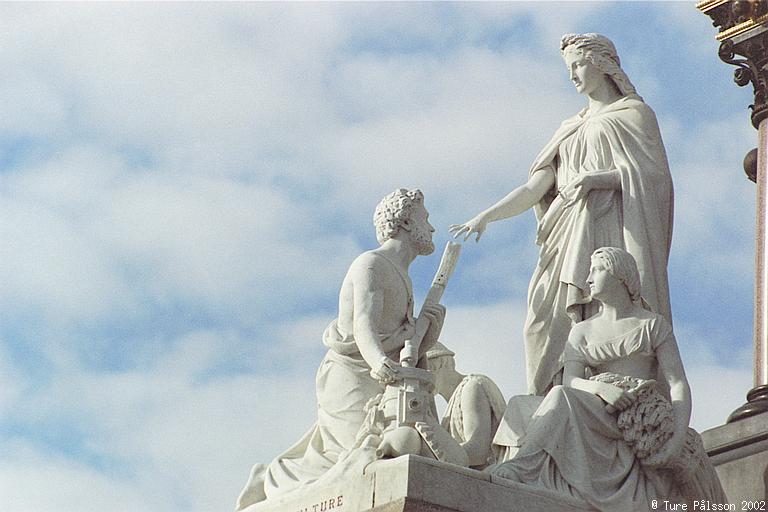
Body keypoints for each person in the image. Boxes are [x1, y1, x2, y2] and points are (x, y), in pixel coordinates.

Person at [450, 33, 673, 396]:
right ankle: (546, 402)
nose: (572, 75)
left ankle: (601, 393)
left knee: (603, 312)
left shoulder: (635, 115)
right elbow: (534, 188)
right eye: (569, 67)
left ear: (601, 64)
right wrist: (486, 216)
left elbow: (654, 179)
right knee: (540, 321)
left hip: (610, 226)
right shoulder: (568, 128)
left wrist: (595, 179)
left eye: (578, 64)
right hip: (565, 231)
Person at [236, 189, 447, 510]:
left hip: (385, 378)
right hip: (351, 374)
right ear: (405, 221)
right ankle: (273, 478)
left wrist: (424, 340)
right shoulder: (372, 264)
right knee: (353, 456)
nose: (431, 228)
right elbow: (363, 323)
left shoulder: (403, 276)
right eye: (425, 218)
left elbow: (399, 341)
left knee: (374, 451)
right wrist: (378, 362)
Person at [492, 248, 725, 512]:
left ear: (620, 275)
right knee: (531, 402)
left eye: (596, 269)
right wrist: (602, 389)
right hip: (598, 409)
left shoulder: (651, 325)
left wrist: (677, 438)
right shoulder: (581, 332)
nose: (588, 278)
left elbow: (678, 384)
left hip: (635, 415)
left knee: (558, 398)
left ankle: (522, 468)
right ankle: (522, 467)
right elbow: (571, 381)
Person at [425, 342, 507, 470]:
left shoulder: (472, 387)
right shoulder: (448, 411)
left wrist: (428, 458)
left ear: (441, 363)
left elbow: (477, 452)